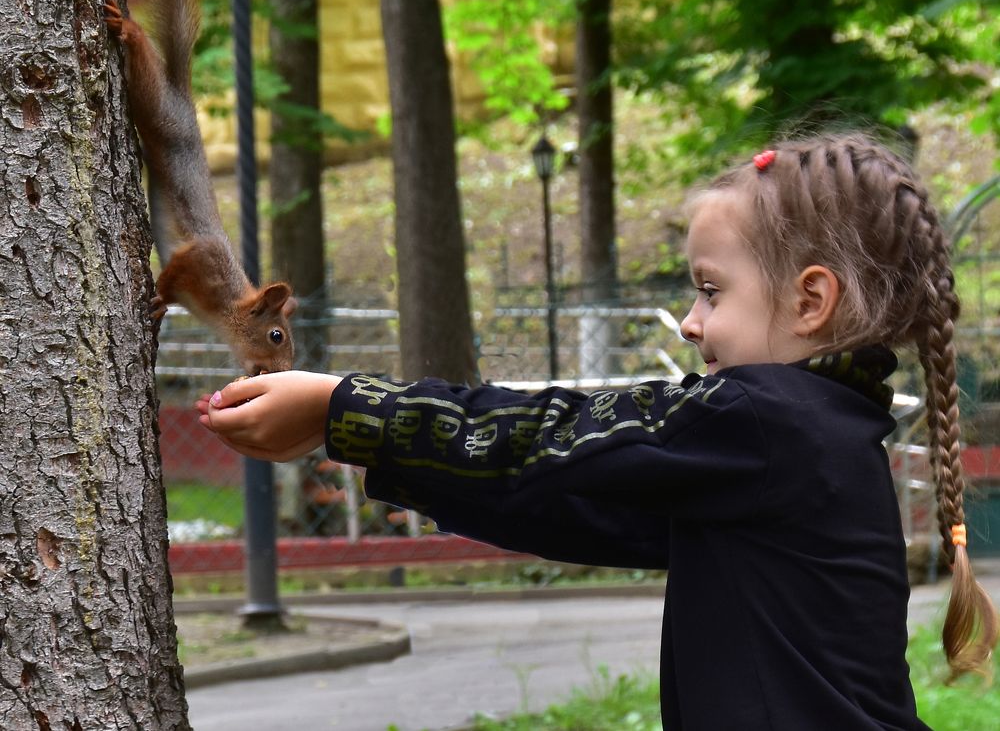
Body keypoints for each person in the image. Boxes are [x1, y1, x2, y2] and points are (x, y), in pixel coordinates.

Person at [197, 133, 998, 729]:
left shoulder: (766, 419)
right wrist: (355, 432)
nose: (690, 322)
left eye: (711, 292)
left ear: (810, 301)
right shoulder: (806, 440)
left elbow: (556, 441)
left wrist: (352, 407)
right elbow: (570, 500)